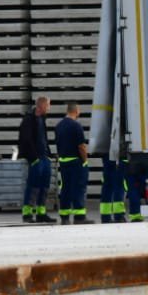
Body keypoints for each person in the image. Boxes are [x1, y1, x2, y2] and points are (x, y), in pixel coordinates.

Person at [16, 96, 53, 224]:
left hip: (44, 157)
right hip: (36, 159)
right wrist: (34, 158)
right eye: (48, 105)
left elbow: (44, 139)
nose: (49, 108)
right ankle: (27, 213)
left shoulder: (42, 119)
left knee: (44, 186)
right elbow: (26, 140)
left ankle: (41, 213)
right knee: (33, 186)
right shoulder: (28, 120)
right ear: (41, 106)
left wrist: (49, 155)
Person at [54, 102, 90, 224]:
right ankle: (79, 217)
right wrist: (85, 161)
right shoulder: (76, 126)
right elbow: (81, 146)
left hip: (63, 162)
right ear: (76, 111)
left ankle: (64, 217)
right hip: (76, 162)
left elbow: (58, 145)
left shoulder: (59, 126)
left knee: (65, 189)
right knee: (78, 188)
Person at [99, 154, 126, 224]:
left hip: (107, 155)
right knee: (118, 185)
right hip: (118, 157)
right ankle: (119, 215)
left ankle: (105, 216)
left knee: (107, 186)